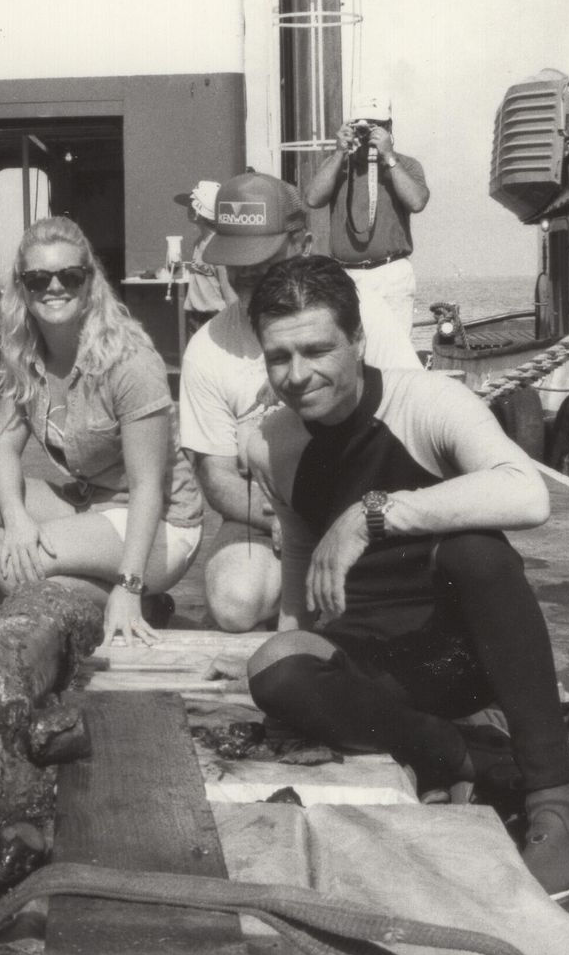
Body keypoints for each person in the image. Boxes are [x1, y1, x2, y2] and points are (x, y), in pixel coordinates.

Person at [236, 255, 569, 902]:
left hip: (461, 652)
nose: (296, 375)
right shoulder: (271, 442)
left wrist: (372, 515)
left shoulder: (428, 402)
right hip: (375, 660)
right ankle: (462, 756)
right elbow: (301, 557)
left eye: (317, 350)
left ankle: (554, 796)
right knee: (271, 670)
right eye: (278, 357)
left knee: (478, 553)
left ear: (358, 340)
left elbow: (528, 494)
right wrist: (291, 663)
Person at [175, 171, 415, 631]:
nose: (248, 276)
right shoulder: (207, 349)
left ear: (303, 245)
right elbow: (216, 476)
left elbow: (408, 418)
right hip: (268, 513)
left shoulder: (363, 312)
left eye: (262, 260)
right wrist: (286, 518)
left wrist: (358, 517)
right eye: (236, 263)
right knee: (234, 602)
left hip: (365, 498)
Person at [0, 215, 205, 647]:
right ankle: (75, 582)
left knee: (10, 570)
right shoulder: (27, 355)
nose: (54, 287)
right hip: (91, 502)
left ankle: (135, 600)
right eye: (38, 279)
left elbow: (146, 487)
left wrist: (129, 584)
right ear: (21, 287)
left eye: (69, 276)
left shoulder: (129, 361)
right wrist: (16, 520)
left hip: (158, 521)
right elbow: (2, 449)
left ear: (90, 282)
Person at [300, 95, 426, 367]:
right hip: (347, 274)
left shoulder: (405, 165)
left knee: (395, 358)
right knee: (349, 354)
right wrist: (339, 153)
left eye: (375, 126)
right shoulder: (339, 165)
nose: (367, 133)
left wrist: (388, 157)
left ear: (388, 128)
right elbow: (312, 198)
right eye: (362, 126)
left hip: (391, 272)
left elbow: (417, 201)